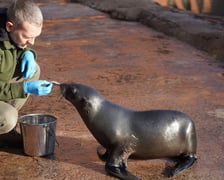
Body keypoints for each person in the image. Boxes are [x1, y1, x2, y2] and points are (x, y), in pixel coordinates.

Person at [0, 0, 53, 148]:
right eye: (28, 37)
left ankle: (4, 132)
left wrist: (27, 53)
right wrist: (24, 88)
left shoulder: (9, 31)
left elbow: (12, 46)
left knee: (33, 69)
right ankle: (4, 124)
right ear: (9, 26)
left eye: (35, 37)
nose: (33, 42)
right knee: (7, 117)